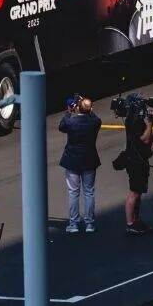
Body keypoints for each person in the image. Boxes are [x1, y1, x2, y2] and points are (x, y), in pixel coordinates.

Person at [59, 97, 102, 234]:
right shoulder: (94, 122)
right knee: (89, 192)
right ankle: (89, 223)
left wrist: (69, 111)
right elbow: (96, 118)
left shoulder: (71, 122)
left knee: (73, 193)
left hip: (72, 160)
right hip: (89, 160)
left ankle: (74, 223)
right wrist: (89, 110)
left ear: (78, 108)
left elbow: (62, 126)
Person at [122, 101, 153, 236]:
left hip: (134, 159)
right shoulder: (136, 123)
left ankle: (135, 219)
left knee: (138, 193)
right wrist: (150, 123)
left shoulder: (130, 120)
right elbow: (145, 139)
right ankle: (130, 223)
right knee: (134, 193)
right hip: (136, 162)